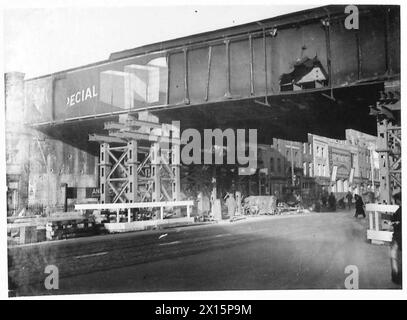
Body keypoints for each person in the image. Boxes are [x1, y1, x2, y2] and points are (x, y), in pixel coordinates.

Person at [390, 192, 402, 285]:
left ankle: (397, 278)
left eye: (396, 199)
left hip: (398, 238)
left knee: (394, 258)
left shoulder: (400, 211)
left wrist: (393, 222)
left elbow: (397, 223)